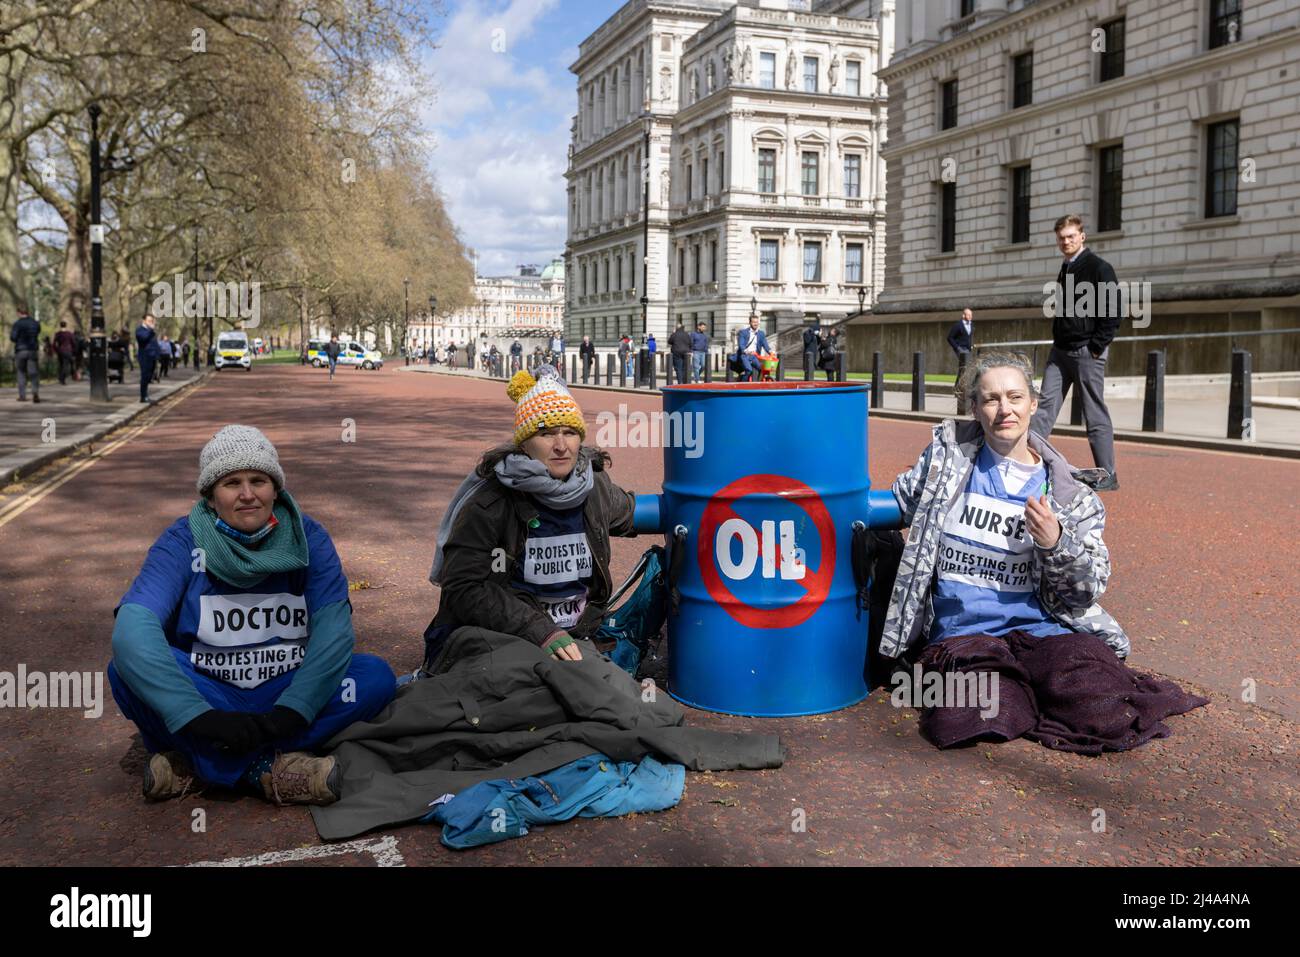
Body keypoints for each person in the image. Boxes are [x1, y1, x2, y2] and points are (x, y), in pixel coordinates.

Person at [881, 352, 1207, 753]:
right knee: (975, 716)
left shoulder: (1072, 496)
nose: (1004, 410)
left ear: (1034, 404)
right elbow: (895, 499)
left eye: (1015, 397)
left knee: (1105, 708)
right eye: (991, 399)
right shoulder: (944, 464)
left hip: (1044, 631)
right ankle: (1024, 692)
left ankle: (1039, 687)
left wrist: (1056, 542)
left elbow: (1086, 592)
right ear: (974, 409)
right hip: (966, 635)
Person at [107, 425, 396, 803]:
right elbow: (133, 628)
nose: (247, 495)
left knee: (374, 677)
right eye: (231, 483)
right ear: (211, 497)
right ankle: (266, 770)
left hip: (283, 690)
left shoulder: (310, 537)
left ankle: (199, 764)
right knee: (124, 672)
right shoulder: (181, 541)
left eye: (258, 480)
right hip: (207, 691)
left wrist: (293, 710)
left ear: (275, 489)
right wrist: (199, 716)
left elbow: (334, 631)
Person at [422, 367, 638, 670]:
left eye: (570, 432)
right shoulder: (491, 502)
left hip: (575, 635)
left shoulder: (594, 487)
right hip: (507, 637)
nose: (561, 446)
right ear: (524, 443)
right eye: (546, 433)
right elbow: (463, 589)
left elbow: (630, 511)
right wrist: (540, 631)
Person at [1030, 214, 1121, 490]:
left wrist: (1096, 348)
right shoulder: (1066, 268)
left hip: (1086, 352)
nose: (1066, 241)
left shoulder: (1098, 268)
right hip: (1060, 352)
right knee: (1044, 408)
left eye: (1071, 236)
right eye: (1061, 238)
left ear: (1082, 236)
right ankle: (1024, 462)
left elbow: (1114, 311)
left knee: (1094, 414)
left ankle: (1108, 475)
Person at [10, 305, 41, 403]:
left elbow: (13, 337)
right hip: (32, 350)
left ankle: (22, 396)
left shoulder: (17, 324)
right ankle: (35, 392)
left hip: (21, 350)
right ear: (28, 312)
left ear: (19, 313)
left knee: (21, 372)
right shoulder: (35, 323)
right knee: (33, 373)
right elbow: (37, 332)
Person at [736, 315, 770, 382]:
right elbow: (741, 345)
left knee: (762, 369)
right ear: (750, 323)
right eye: (753, 322)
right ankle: (742, 385)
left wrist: (771, 352)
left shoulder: (761, 333)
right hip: (745, 355)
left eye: (757, 322)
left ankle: (758, 383)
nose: (755, 324)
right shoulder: (743, 332)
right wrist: (746, 351)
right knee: (749, 370)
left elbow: (765, 345)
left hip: (754, 356)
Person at [136, 313, 161, 403]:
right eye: (149, 321)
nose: (151, 322)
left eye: (152, 321)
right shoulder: (140, 330)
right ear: (144, 321)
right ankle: (143, 397)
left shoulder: (151, 331)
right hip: (145, 356)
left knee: (149, 377)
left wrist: (158, 354)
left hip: (152, 356)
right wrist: (151, 330)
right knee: (145, 376)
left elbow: (155, 344)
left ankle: (146, 395)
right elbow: (143, 339)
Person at [53, 321, 77, 385]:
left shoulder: (58, 334)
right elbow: (73, 343)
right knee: (65, 365)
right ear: (65, 325)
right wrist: (74, 350)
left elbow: (54, 344)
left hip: (60, 351)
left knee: (61, 365)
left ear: (60, 325)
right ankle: (62, 378)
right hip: (68, 351)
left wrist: (56, 350)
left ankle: (60, 378)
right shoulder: (69, 334)